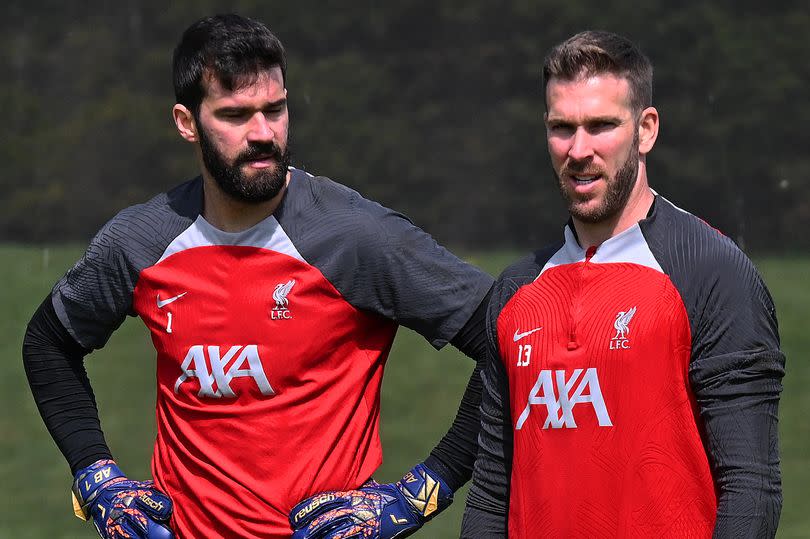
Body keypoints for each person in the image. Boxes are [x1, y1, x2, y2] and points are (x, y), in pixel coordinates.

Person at [22, 14, 493, 539]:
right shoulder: (141, 242)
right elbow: (48, 343)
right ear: (186, 122)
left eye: (275, 109)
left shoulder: (356, 237)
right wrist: (96, 477)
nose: (263, 134)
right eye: (235, 115)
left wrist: (423, 491)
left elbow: (512, 338)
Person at [460, 30, 785, 538]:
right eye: (562, 127)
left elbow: (751, 487)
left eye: (601, 125)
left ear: (646, 129)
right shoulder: (515, 291)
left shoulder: (711, 271)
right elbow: (491, 492)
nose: (579, 149)